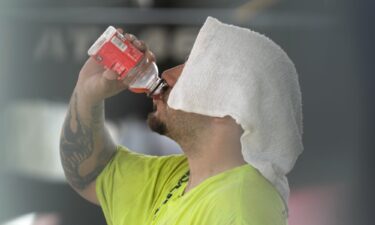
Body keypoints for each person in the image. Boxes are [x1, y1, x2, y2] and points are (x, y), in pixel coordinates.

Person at [60, 17, 303, 225]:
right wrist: (87, 93)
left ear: (226, 106)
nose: (166, 74)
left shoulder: (242, 207)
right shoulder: (179, 177)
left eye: (192, 71)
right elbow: (91, 173)